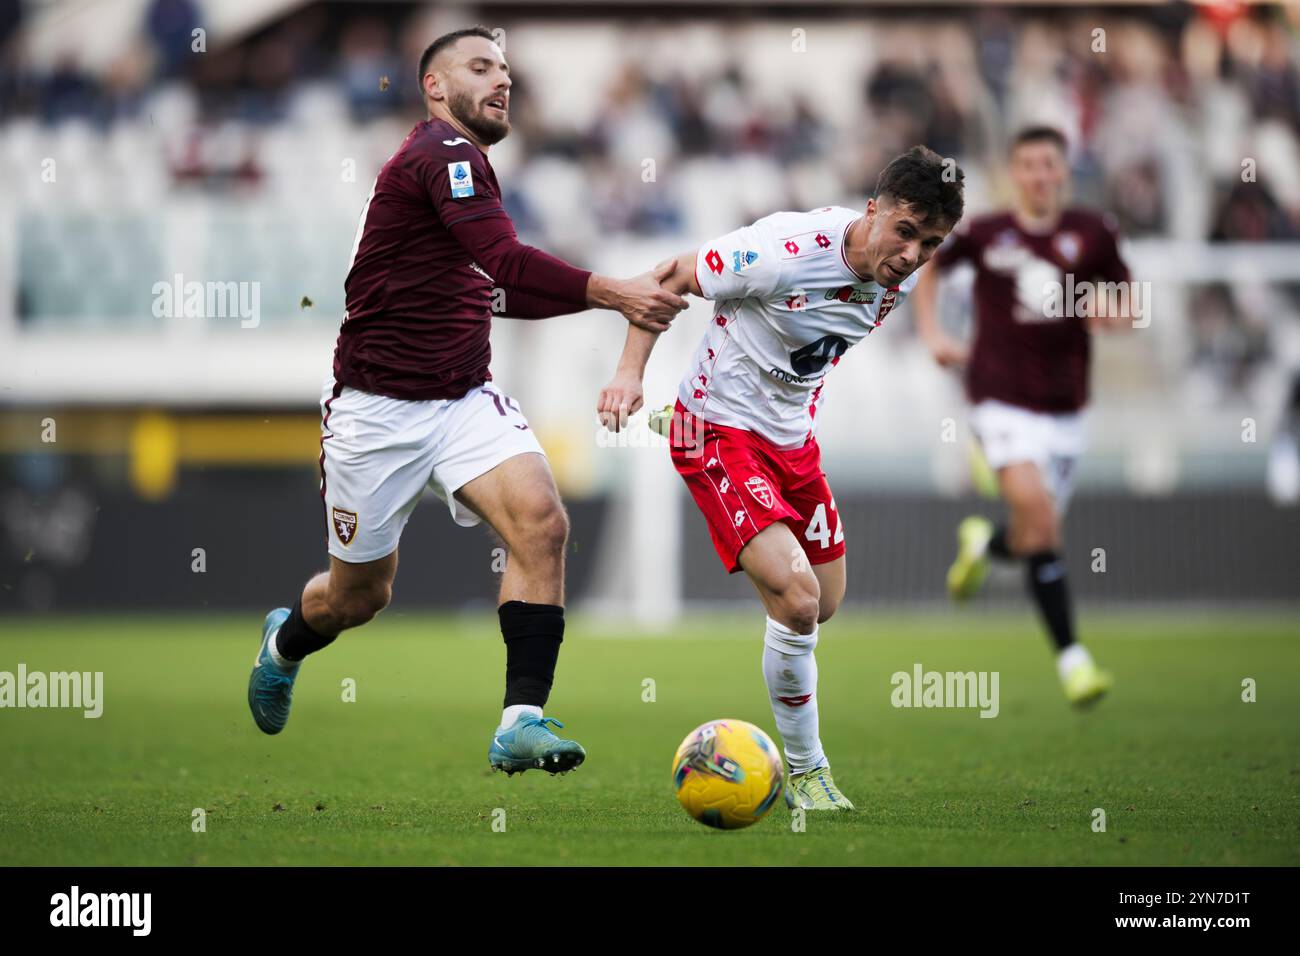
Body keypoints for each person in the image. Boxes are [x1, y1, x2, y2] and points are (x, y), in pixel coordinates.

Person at [247, 27, 687, 777]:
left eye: (506, 69)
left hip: (461, 399)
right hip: (373, 413)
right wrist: (615, 292)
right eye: (480, 67)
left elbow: (500, 286)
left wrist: (599, 299)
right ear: (435, 88)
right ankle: (287, 642)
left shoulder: (467, 169)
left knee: (542, 523)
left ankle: (521, 719)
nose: (502, 80)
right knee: (358, 598)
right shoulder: (440, 155)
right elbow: (508, 261)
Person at [597, 146, 964, 809]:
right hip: (718, 428)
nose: (912, 255)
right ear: (873, 210)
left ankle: (677, 428)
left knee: (822, 602)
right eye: (906, 232)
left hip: (792, 442)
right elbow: (669, 277)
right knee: (796, 601)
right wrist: (629, 373)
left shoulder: (900, 277)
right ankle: (807, 771)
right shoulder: (781, 250)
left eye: (931, 244)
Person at [911, 125, 1133, 707]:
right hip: (998, 396)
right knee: (1041, 517)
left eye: (1048, 164)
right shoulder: (987, 233)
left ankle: (985, 547)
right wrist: (933, 333)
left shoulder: (1093, 232)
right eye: (1028, 164)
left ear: (1063, 170)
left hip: (1066, 409)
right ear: (1015, 173)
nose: (1039, 174)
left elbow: (1130, 300)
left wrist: (1113, 312)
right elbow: (927, 264)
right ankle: (1073, 660)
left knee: (1036, 533)